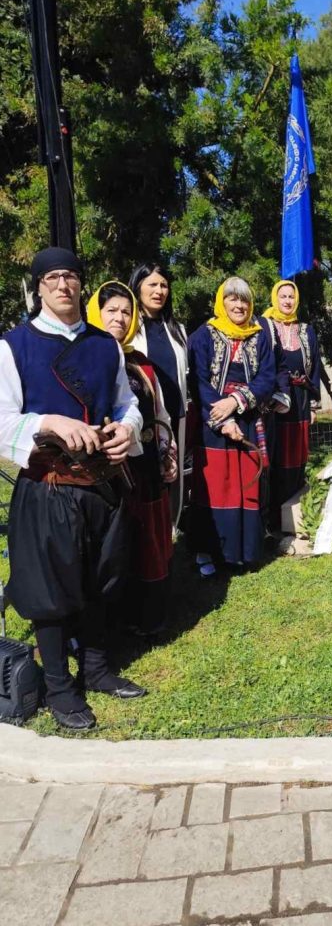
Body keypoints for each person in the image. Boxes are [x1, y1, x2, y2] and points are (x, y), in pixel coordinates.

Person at [0, 247, 145, 730]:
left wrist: (129, 430)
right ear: (39, 286)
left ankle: (99, 670)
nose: (64, 285)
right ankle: (61, 688)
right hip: (50, 487)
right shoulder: (15, 345)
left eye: (72, 277)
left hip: (102, 485)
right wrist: (49, 421)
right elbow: (1, 421)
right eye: (54, 278)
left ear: (81, 285)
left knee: (102, 582)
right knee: (51, 591)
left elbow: (127, 404)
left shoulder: (105, 345)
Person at [87, 282, 177, 636]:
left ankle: (148, 615)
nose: (120, 318)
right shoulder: (87, 357)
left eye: (126, 311)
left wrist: (167, 451)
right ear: (96, 311)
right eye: (112, 310)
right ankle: (114, 619)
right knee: (115, 541)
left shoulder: (140, 364)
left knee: (148, 537)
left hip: (146, 464)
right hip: (108, 469)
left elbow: (160, 413)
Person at [187, 277, 277, 574]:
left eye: (244, 300)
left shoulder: (259, 337)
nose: (239, 305)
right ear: (221, 302)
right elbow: (198, 381)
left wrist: (237, 401)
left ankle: (242, 553)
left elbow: (267, 377)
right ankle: (208, 552)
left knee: (244, 484)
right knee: (215, 486)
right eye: (233, 299)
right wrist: (223, 417)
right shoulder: (203, 335)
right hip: (213, 422)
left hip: (248, 418)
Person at [129, 262, 188, 528]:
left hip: (176, 417)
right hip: (143, 422)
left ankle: (170, 532)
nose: (159, 290)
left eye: (163, 285)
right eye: (152, 284)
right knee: (146, 481)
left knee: (173, 476)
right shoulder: (129, 328)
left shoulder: (177, 330)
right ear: (138, 287)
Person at [261, 280, 321, 529]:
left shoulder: (306, 330)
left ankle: (294, 512)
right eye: (283, 296)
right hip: (276, 401)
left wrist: (315, 404)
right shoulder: (265, 327)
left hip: (301, 399)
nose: (287, 301)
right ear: (275, 298)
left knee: (297, 455)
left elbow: (315, 366)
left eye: (291, 297)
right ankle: (273, 516)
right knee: (276, 454)